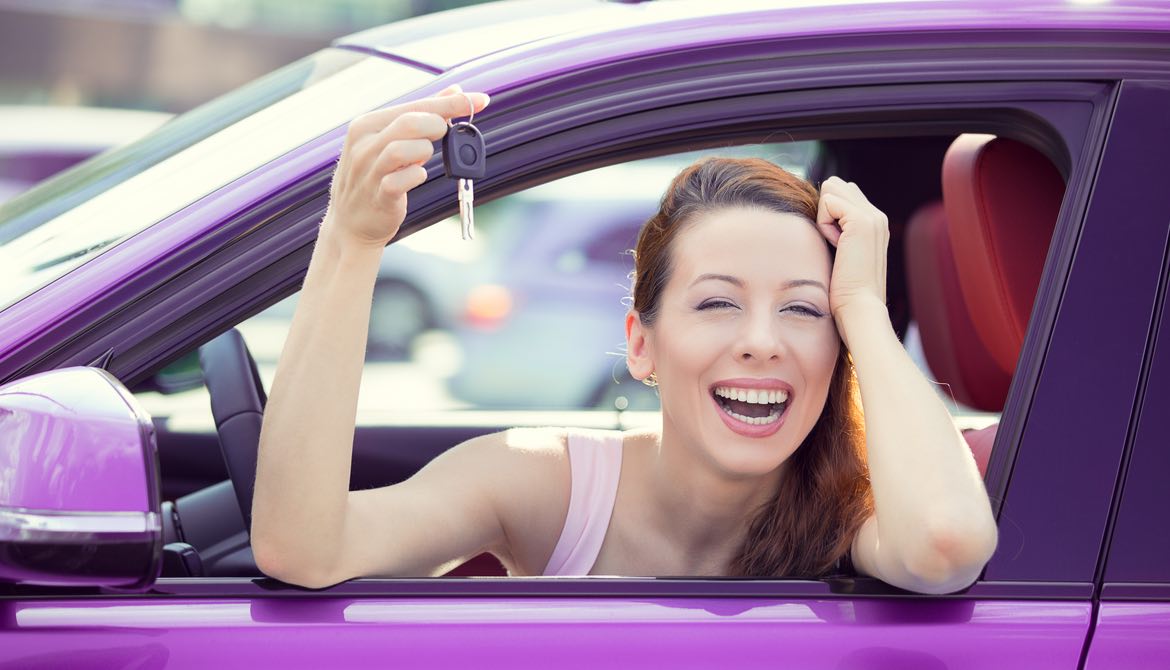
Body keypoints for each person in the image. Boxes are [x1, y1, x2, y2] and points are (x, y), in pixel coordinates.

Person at [250, 85, 998, 592]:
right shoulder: (550, 486)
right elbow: (306, 548)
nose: (762, 343)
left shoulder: (856, 513)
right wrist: (351, 243)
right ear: (641, 344)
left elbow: (947, 543)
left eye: (804, 311)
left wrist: (863, 303)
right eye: (717, 304)